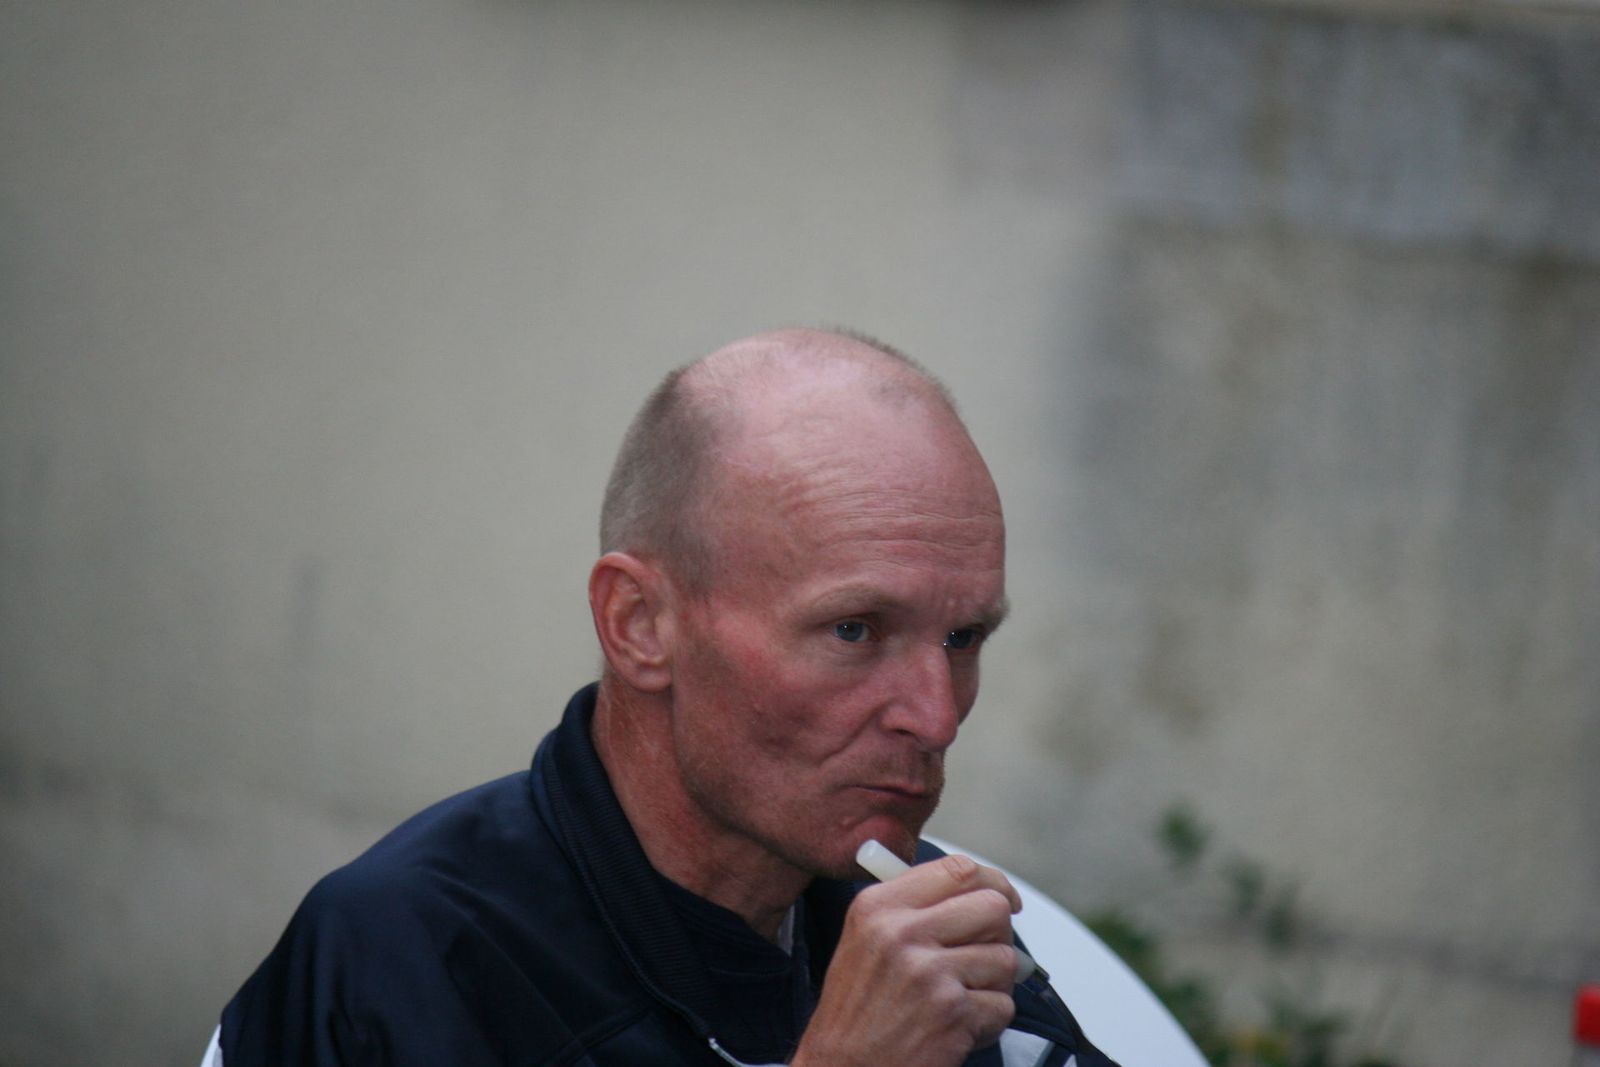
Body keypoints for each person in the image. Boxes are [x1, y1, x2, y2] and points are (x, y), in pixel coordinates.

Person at [217, 329, 1118, 1066]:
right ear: (640, 623)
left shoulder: (916, 930)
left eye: (963, 637)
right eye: (854, 629)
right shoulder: (406, 959)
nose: (936, 715)